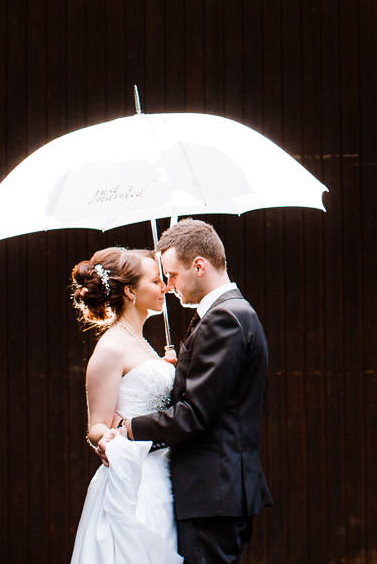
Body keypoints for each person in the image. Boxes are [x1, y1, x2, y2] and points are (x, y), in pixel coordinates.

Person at [102, 220, 273, 564]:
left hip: (213, 493)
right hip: (216, 491)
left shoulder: (225, 319)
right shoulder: (228, 314)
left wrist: (129, 427)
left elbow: (194, 414)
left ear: (199, 266)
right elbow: (215, 395)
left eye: (172, 275)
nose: (169, 286)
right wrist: (181, 370)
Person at [69, 247, 182, 564]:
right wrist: (106, 437)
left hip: (165, 472)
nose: (165, 287)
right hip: (136, 481)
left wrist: (168, 369)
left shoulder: (142, 342)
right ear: (131, 291)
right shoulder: (111, 347)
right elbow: (97, 425)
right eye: (156, 281)